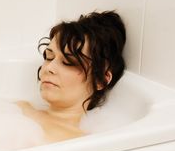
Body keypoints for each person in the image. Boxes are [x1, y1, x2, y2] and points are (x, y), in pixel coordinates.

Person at [16, 10, 126, 143]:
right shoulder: (19, 109)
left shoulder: (74, 142)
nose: (49, 68)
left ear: (100, 79)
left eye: (68, 62)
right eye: (49, 57)